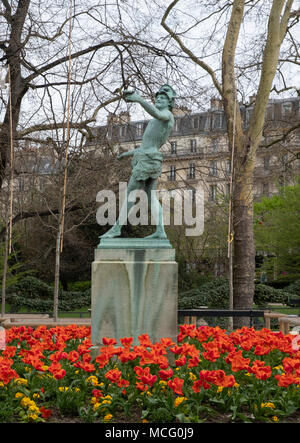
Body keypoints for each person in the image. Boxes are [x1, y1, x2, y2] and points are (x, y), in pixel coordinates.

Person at [100, 84, 176, 239]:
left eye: (163, 98)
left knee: (130, 195)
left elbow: (156, 114)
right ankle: (160, 231)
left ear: (170, 102)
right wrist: (126, 154)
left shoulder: (166, 115)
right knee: (150, 196)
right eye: (157, 98)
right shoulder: (158, 118)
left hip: (147, 161)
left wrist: (139, 99)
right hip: (151, 159)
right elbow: (146, 147)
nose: (158, 100)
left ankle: (117, 228)